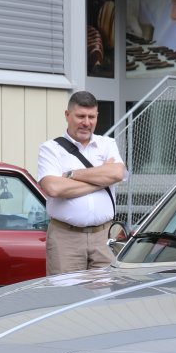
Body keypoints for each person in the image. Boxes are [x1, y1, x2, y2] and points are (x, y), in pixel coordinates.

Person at [37, 90, 128, 275]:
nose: (86, 122)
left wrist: (72, 174)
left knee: (105, 293)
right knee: (65, 291)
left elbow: (118, 173)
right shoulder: (51, 149)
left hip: (104, 237)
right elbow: (54, 188)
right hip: (66, 238)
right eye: (80, 116)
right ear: (67, 115)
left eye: (91, 117)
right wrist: (102, 179)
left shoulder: (107, 144)